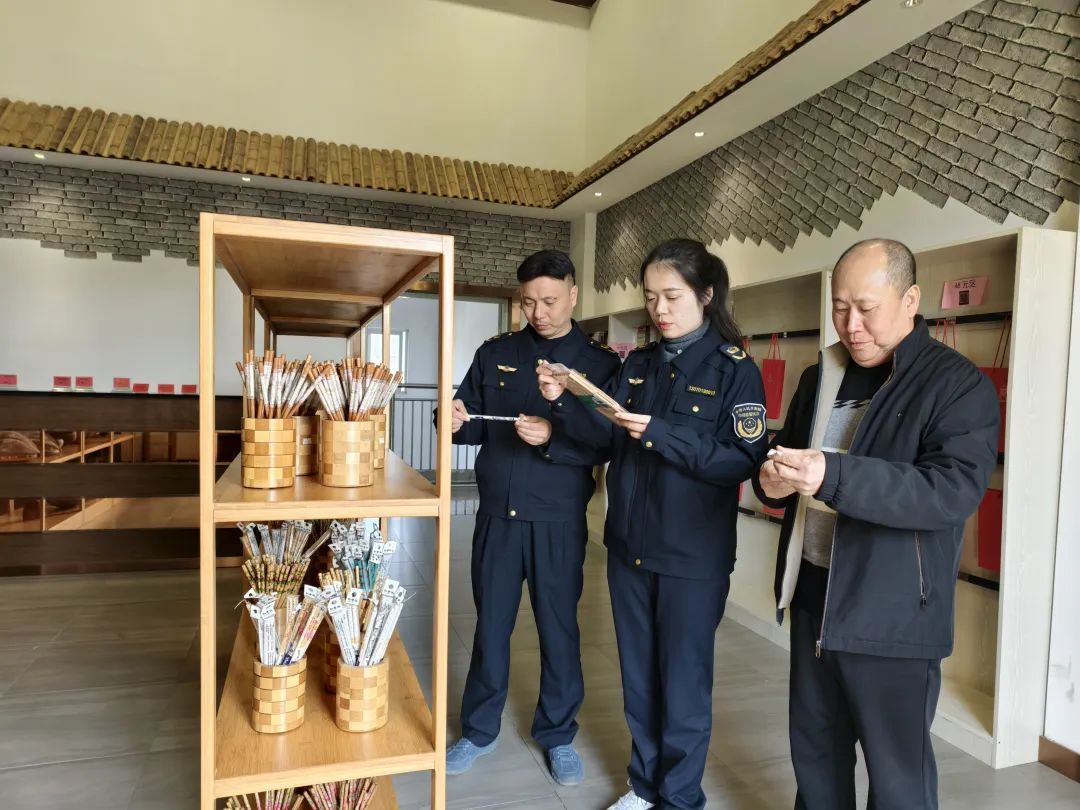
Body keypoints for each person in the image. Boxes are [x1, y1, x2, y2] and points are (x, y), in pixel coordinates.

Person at [753, 239, 999, 810]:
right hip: (813, 595)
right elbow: (787, 461)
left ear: (911, 299)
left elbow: (949, 492)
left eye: (867, 308)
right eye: (840, 308)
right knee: (816, 760)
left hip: (893, 613)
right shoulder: (821, 375)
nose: (851, 325)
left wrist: (832, 474)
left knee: (897, 780)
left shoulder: (955, 385)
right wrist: (770, 483)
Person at [537, 238, 767, 810]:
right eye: (650, 297)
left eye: (672, 296)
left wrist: (663, 435)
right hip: (628, 547)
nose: (659, 309)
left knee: (683, 683)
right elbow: (605, 440)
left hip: (692, 556)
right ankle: (643, 787)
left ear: (706, 295)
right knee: (638, 677)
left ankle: (680, 798)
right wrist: (565, 400)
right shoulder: (638, 365)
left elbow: (741, 460)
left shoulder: (735, 369)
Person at [442, 249, 621, 785]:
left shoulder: (599, 365)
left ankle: (558, 734)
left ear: (573, 295)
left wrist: (552, 435)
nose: (538, 312)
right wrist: (450, 419)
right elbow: (472, 421)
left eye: (549, 301)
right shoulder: (496, 352)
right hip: (497, 517)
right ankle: (478, 730)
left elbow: (607, 443)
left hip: (557, 521)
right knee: (490, 626)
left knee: (559, 628)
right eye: (528, 302)